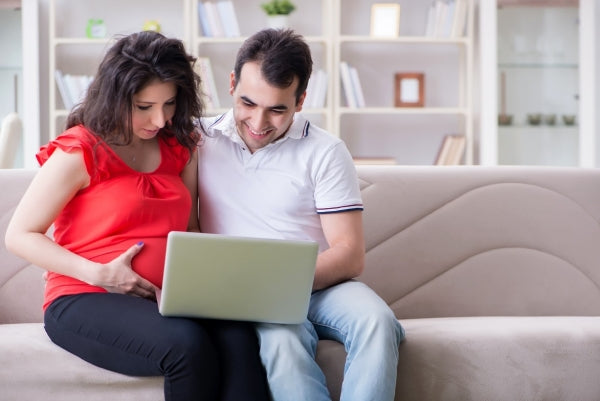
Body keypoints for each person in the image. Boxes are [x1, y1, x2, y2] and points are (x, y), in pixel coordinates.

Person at [5, 31, 269, 401]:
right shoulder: (80, 150)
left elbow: (189, 227)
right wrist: (100, 273)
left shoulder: (181, 146)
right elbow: (19, 234)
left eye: (170, 103)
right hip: (85, 295)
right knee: (186, 346)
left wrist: (213, 284)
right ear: (116, 98)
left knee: (239, 338)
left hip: (169, 297)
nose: (160, 119)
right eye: (144, 106)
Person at [197, 28, 405, 401]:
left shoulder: (325, 151)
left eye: (277, 109)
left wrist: (281, 281)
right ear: (231, 83)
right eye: (248, 103)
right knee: (282, 343)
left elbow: (349, 252)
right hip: (251, 295)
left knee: (377, 322)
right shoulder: (198, 140)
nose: (259, 122)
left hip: (321, 286)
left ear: (301, 100)